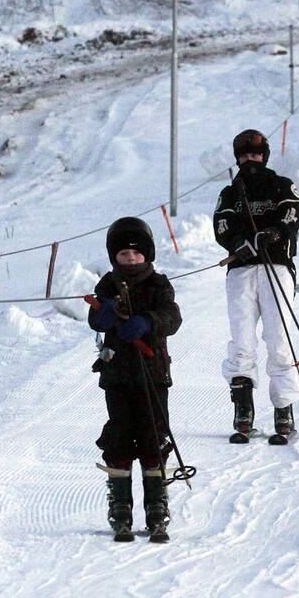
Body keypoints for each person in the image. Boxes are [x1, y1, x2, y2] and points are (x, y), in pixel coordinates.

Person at [88, 217, 182, 543]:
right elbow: (95, 319)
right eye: (123, 255)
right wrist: (103, 314)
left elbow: (172, 317)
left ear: (147, 255)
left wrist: (147, 322)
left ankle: (156, 506)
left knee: (153, 435)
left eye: (136, 254)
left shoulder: (159, 284)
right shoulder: (107, 286)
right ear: (114, 257)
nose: (130, 260)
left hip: (153, 373)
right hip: (117, 375)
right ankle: (120, 506)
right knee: (120, 434)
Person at [213, 129, 299, 441]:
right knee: (241, 340)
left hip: (276, 267)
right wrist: (241, 242)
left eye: (256, 153)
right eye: (245, 154)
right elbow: (222, 226)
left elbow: (291, 213)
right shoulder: (229, 192)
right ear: (238, 157)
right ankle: (243, 409)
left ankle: (284, 407)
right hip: (240, 271)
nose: (251, 159)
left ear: (264, 155)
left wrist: (275, 233)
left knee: (279, 339)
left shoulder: (281, 185)